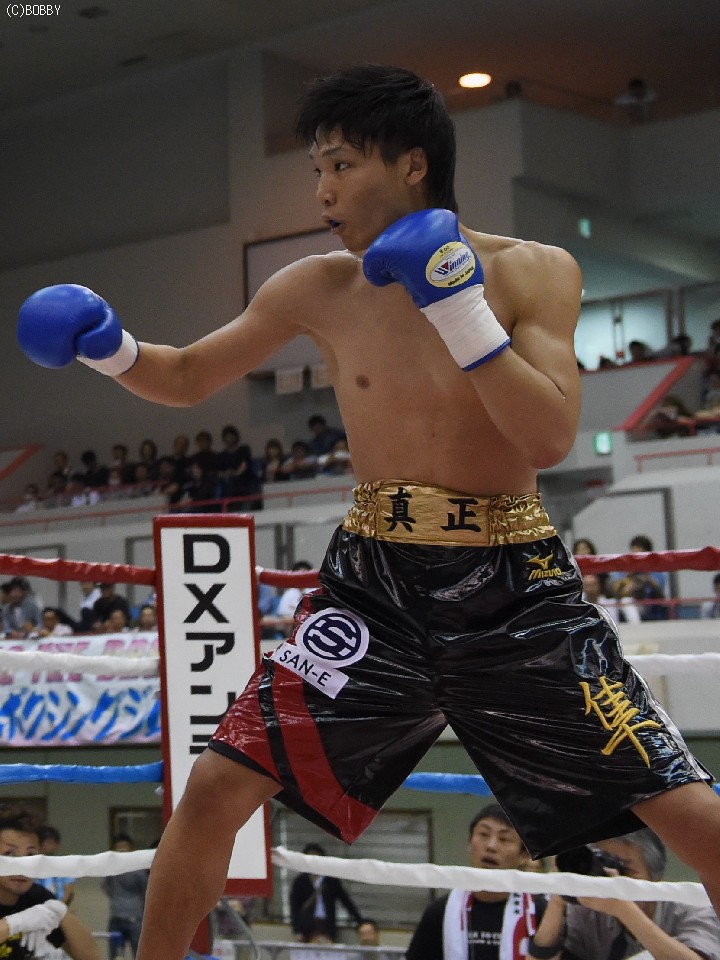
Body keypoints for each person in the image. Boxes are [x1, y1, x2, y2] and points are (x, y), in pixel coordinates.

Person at [15, 63, 720, 960]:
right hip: (373, 590)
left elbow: (547, 437)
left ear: (412, 163)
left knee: (683, 807)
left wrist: (456, 305)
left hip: (513, 592)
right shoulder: (315, 286)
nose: (322, 191)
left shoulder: (535, 271)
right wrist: (108, 347)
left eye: (342, 166)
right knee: (216, 789)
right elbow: (187, 375)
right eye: (317, 169)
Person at [530, 828, 720, 960]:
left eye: (625, 868)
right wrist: (558, 899)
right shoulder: (588, 910)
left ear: (655, 876)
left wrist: (623, 909)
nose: (612, 875)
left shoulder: (696, 906)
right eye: (603, 863)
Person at [406, 805, 543, 960]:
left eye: (504, 839)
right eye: (483, 835)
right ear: (469, 843)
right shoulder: (439, 911)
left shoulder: (539, 912)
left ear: (524, 855)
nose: (491, 846)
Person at [0, 810, 100, 959]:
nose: (22, 865)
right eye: (10, 854)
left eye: (30, 855)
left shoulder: (36, 897)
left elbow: (92, 957)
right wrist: (15, 923)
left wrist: (60, 911)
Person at [289, 842, 362, 942]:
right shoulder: (300, 881)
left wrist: (360, 921)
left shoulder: (331, 880)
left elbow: (345, 901)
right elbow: (294, 907)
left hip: (327, 925)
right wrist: (297, 930)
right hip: (307, 926)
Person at [101, 834, 149, 959]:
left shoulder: (138, 868)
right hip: (116, 917)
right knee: (115, 956)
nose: (121, 850)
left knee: (139, 955)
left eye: (124, 846)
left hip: (135, 918)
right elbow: (105, 886)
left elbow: (146, 890)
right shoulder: (110, 868)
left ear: (131, 848)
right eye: (118, 847)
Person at [37, 825, 75, 906]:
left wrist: (59, 907)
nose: (51, 846)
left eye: (54, 843)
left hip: (59, 906)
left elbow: (69, 890)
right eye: (48, 842)